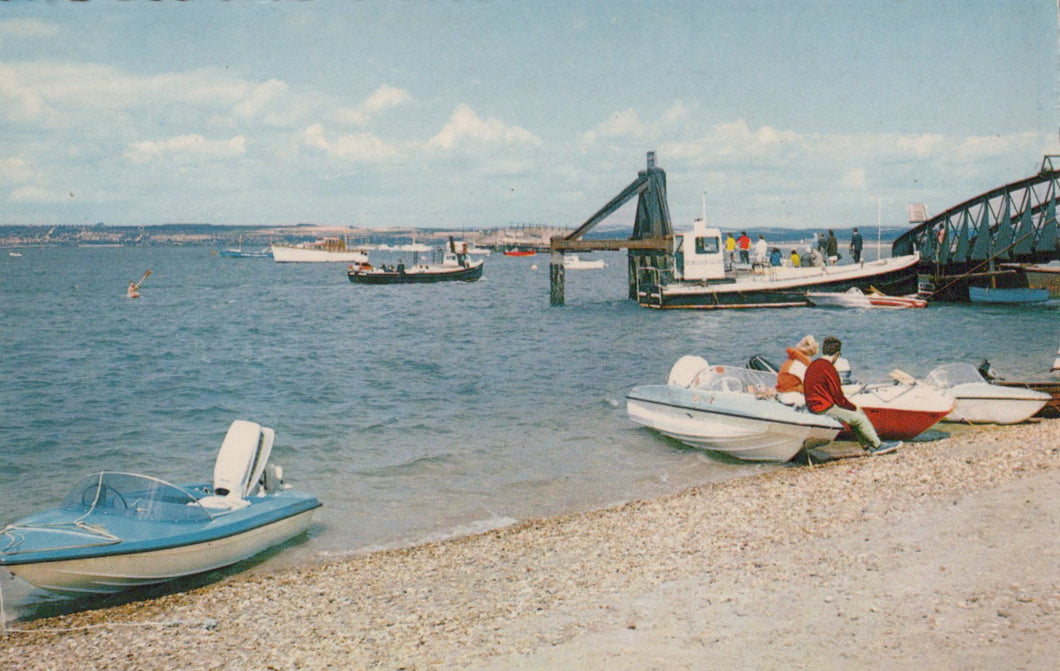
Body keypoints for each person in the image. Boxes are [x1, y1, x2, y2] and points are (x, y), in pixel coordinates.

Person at [803, 336, 901, 455]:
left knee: (855, 416)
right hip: (823, 408)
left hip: (813, 406)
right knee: (859, 418)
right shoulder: (829, 368)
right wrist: (852, 407)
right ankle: (878, 446)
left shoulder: (813, 365)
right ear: (837, 354)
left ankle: (867, 446)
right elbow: (838, 397)